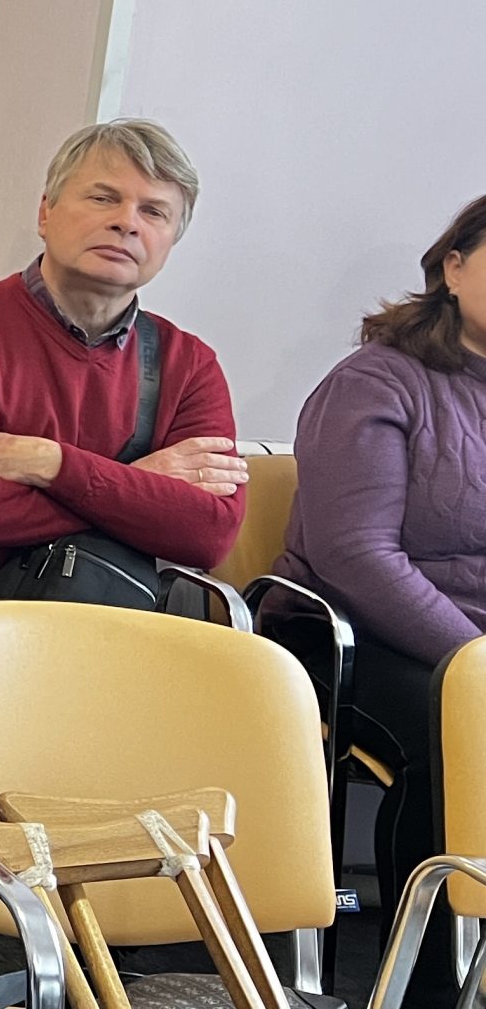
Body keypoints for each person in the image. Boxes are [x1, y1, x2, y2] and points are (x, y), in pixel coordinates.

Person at [0, 120, 246, 613]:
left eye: (154, 211)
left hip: (117, 608)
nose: (126, 223)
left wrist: (51, 464)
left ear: (171, 241)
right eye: (103, 198)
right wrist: (136, 483)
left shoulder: (190, 364)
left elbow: (209, 533)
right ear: (45, 212)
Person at [269, 193, 486, 1003]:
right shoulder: (376, 381)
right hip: (350, 631)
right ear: (453, 268)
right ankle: (425, 988)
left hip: (471, 644)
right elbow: (356, 556)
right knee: (461, 735)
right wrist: (475, 660)